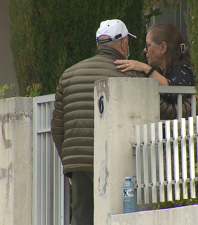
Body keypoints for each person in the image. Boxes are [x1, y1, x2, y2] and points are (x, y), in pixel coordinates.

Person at [51, 19, 144, 225]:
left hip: (80, 163)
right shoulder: (130, 73)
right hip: (117, 160)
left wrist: (70, 166)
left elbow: (57, 128)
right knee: (118, 216)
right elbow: (160, 110)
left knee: (83, 219)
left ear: (98, 45)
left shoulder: (69, 75)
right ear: (123, 44)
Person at [114, 23, 196, 119]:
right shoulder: (163, 72)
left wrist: (146, 69)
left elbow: (173, 92)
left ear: (163, 48)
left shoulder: (184, 71)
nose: (145, 50)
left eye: (148, 45)